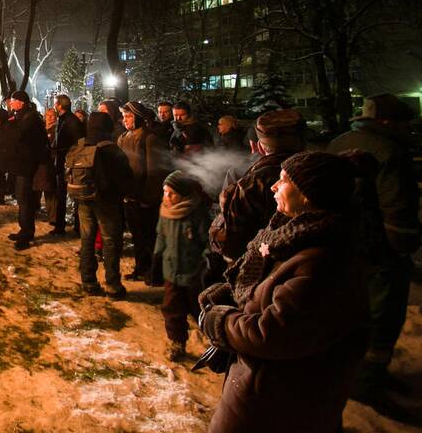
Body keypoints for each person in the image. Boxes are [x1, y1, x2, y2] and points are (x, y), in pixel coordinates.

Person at [197, 151, 370, 432]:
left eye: (284, 180)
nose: (274, 186)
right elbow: (266, 287)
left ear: (309, 195)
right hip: (264, 389)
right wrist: (230, 293)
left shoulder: (321, 263)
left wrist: (221, 322)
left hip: (284, 400)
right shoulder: (289, 235)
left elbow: (274, 333)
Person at [327, 94, 420, 414]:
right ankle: (368, 383)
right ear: (387, 122)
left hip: (344, 245)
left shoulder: (340, 141)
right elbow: (397, 208)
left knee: (351, 312)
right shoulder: (390, 152)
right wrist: (405, 246)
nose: (408, 129)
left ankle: (355, 374)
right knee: (382, 316)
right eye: (404, 123)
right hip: (380, 251)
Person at [208, 109, 306, 266]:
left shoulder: (249, 182)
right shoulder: (322, 171)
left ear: (260, 146)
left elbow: (227, 240)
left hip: (258, 267)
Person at [66, 111, 133, 298]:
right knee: (111, 242)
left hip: (83, 199)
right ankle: (112, 284)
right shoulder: (111, 149)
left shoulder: (81, 146)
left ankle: (88, 281)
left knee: (86, 239)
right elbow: (125, 178)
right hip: (107, 202)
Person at [154, 171, 210, 361]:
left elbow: (207, 242)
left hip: (193, 272)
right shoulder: (165, 212)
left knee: (198, 308)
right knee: (172, 309)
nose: (167, 197)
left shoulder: (196, 213)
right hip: (171, 271)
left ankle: (214, 340)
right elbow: (161, 237)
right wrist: (156, 258)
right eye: (165, 192)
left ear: (184, 195)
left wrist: (205, 262)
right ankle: (177, 343)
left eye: (172, 193)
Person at [117, 101, 169, 282]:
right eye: (124, 117)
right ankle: (141, 268)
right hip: (129, 197)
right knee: (137, 237)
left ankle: (155, 273)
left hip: (145, 198)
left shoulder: (149, 138)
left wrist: (149, 197)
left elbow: (154, 171)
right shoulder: (123, 137)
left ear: (138, 117)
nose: (126, 120)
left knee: (150, 237)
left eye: (129, 116)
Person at [0, 90, 50, 251]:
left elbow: (20, 137)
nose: (10, 103)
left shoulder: (30, 118)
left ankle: (27, 234)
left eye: (12, 100)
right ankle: (24, 229)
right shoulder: (21, 116)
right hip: (20, 165)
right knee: (21, 199)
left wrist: (7, 124)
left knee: (25, 199)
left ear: (20, 102)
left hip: (27, 166)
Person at [49, 95, 84, 235]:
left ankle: (75, 226)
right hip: (63, 161)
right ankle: (60, 224)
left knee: (70, 194)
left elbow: (76, 143)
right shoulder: (64, 120)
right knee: (61, 194)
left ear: (59, 106)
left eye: (55, 104)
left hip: (69, 163)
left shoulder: (70, 121)